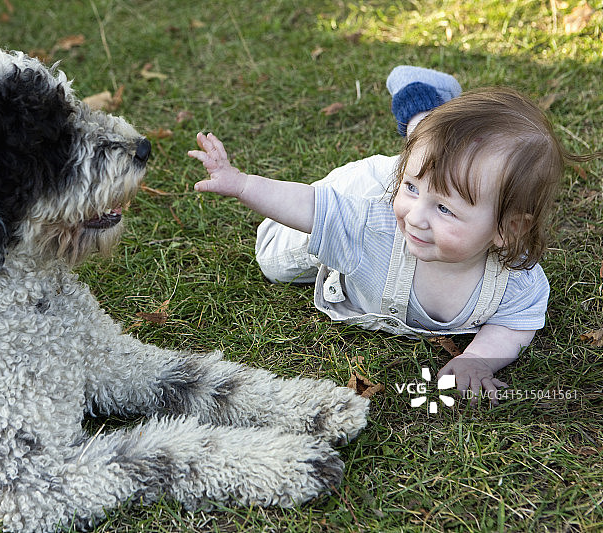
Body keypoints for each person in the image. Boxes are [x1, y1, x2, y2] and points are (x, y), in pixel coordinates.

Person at [187, 66, 594, 404]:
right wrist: (242, 184)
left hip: (413, 175)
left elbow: (515, 323)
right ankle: (419, 120)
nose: (415, 218)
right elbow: (311, 206)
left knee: (430, 156)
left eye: (445, 209)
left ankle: (425, 118)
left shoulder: (516, 281)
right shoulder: (372, 225)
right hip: (371, 190)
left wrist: (478, 359)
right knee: (273, 260)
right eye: (413, 191)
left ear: (507, 230)